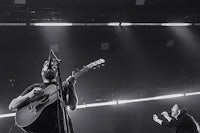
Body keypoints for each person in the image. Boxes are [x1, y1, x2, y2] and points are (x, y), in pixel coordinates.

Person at [8, 58, 78, 133]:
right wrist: (30, 94)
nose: (50, 66)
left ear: (57, 72)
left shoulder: (62, 87)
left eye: (53, 66)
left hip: (61, 129)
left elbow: (73, 106)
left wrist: (71, 86)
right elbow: (12, 106)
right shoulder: (35, 87)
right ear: (42, 72)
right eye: (47, 65)